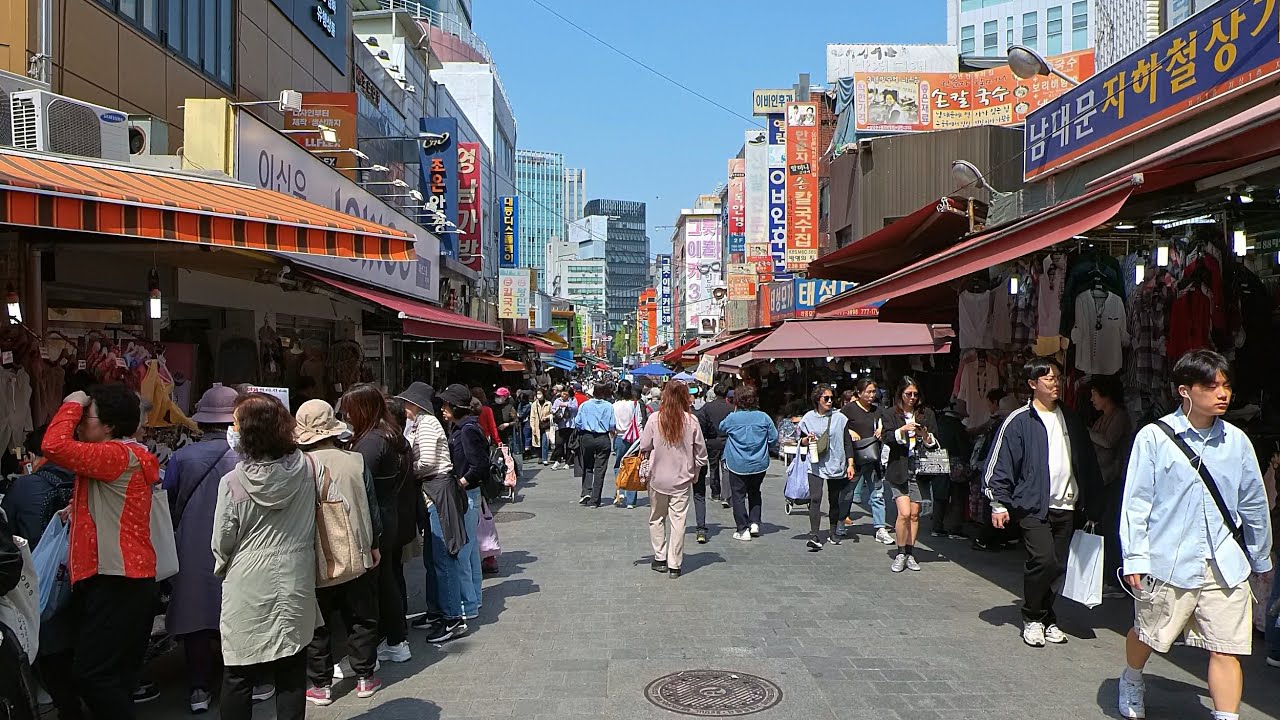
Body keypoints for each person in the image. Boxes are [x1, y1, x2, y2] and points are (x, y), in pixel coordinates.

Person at [1117, 350, 1273, 720]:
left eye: (1226, 385)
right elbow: (1136, 502)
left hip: (1224, 563)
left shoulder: (1236, 442)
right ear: (1185, 391)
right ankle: (1132, 677)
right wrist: (1134, 558)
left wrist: (1260, 557)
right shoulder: (1153, 438)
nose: (1223, 393)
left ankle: (1226, 716)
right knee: (1148, 633)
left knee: (1226, 647)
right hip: (1168, 560)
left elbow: (1254, 504)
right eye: (1211, 385)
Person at [41, 385, 160, 720]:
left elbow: (52, 445)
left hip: (119, 579)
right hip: (124, 579)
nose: (79, 424)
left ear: (108, 427)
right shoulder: (121, 456)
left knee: (93, 675)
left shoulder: (115, 456)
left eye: (86, 418)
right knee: (116, 677)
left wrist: (71, 402)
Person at [212, 392, 319, 720]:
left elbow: (221, 542)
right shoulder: (306, 470)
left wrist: (223, 566)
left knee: (239, 671)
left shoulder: (232, 483)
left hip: (247, 583)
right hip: (295, 578)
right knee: (291, 668)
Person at [983, 358, 1103, 647]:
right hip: (1033, 505)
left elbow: (1087, 461)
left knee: (1057, 566)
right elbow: (1000, 463)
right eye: (1048, 378)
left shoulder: (1070, 418)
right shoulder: (1019, 420)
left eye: (1057, 378)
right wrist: (998, 502)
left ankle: (1048, 617)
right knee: (1043, 559)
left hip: (1067, 505)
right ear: (1032, 384)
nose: (1055, 383)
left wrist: (1094, 503)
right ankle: (1032, 617)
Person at [161, 385, 246, 713]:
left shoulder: (182, 457)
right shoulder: (244, 455)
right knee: (234, 610)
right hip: (237, 542)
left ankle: (198, 688)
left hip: (192, 539)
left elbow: (168, 501)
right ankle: (241, 681)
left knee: (196, 611)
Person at [295, 399, 383, 706]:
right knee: (361, 617)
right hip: (357, 553)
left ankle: (320, 685)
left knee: (317, 624)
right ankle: (364, 677)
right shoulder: (356, 461)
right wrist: (374, 545)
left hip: (313, 559)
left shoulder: (297, 465)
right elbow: (372, 509)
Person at [341, 384, 413, 666]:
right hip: (389, 515)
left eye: (349, 409)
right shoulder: (388, 434)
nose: (345, 415)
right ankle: (394, 640)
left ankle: (379, 646)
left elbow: (358, 479)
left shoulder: (371, 441)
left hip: (377, 519)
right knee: (386, 581)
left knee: (374, 586)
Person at [433, 384, 490, 642]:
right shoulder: (464, 427)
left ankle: (468, 603)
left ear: (456, 407)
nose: (443, 409)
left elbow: (479, 465)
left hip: (466, 495)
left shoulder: (466, 430)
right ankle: (473, 600)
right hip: (468, 494)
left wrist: (461, 483)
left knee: (462, 552)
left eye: (446, 405)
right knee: (470, 551)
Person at [638, 381, 708, 579]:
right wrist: (695, 471)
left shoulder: (654, 419)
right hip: (682, 480)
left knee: (656, 518)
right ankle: (675, 564)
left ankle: (660, 557)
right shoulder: (691, 421)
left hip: (657, 478)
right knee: (678, 522)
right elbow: (701, 454)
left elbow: (644, 444)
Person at [880, 377, 940, 571]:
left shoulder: (926, 414)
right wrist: (902, 430)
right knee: (904, 513)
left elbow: (935, 442)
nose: (912, 398)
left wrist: (925, 435)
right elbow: (887, 437)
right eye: (908, 394)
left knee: (914, 514)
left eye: (915, 394)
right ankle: (900, 552)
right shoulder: (890, 414)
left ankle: (910, 553)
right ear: (901, 395)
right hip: (899, 466)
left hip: (919, 467)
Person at [1089, 375, 1134, 598]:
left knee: (1111, 529)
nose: (1091, 399)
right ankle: (1107, 577)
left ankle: (1116, 582)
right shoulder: (1102, 418)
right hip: (1102, 478)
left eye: (1095, 394)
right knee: (1102, 528)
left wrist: (1088, 432)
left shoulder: (1119, 417)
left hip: (1114, 479)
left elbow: (1108, 442)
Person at [798, 384, 855, 551]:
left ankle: (833, 531)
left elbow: (847, 442)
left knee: (834, 499)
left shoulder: (840, 418)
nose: (830, 401)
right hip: (815, 463)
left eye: (832, 398)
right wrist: (807, 440)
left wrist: (850, 464)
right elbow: (800, 442)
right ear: (817, 400)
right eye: (826, 398)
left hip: (836, 462)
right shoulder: (808, 418)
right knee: (815, 498)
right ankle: (815, 535)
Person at [718, 384, 778, 541]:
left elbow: (721, 428)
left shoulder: (732, 418)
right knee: (755, 492)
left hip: (737, 463)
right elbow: (773, 438)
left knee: (738, 496)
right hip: (759, 463)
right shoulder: (764, 417)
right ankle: (754, 522)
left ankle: (742, 529)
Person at [839, 379, 890, 544]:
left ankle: (880, 527)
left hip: (873, 458)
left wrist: (882, 428)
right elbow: (838, 426)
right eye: (867, 392)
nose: (871, 395)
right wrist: (850, 431)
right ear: (859, 393)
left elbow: (888, 424)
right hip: (855, 458)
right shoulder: (849, 410)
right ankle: (841, 520)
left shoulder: (878, 410)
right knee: (848, 492)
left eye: (873, 392)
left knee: (877, 493)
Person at [575, 383, 616, 507]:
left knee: (587, 465)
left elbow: (577, 422)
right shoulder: (609, 406)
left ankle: (586, 491)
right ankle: (595, 499)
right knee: (600, 469)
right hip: (603, 438)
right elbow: (612, 425)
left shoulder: (584, 405)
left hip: (587, 437)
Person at [697, 383, 734, 505]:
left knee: (713, 467)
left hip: (712, 440)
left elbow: (701, 421)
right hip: (727, 440)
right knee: (726, 468)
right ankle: (726, 495)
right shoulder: (731, 408)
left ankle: (715, 493)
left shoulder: (707, 407)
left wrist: (705, 435)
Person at [612, 380, 645, 508]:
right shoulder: (635, 404)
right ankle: (631, 500)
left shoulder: (614, 406)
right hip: (634, 439)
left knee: (618, 465)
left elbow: (612, 424)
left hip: (619, 437)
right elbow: (639, 422)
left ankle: (620, 489)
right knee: (633, 466)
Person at [550, 386, 579, 470]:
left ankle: (568, 462)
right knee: (559, 443)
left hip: (570, 425)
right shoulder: (557, 400)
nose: (564, 395)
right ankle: (558, 460)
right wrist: (556, 410)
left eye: (566, 393)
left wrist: (566, 405)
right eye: (563, 393)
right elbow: (553, 409)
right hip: (560, 424)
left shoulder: (573, 400)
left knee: (569, 444)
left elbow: (575, 408)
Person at [530, 388, 553, 466]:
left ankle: (544, 458)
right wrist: (532, 427)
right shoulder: (534, 404)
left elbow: (552, 413)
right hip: (537, 426)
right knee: (537, 442)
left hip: (546, 425)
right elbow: (532, 417)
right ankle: (540, 456)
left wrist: (547, 417)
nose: (538, 395)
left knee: (545, 442)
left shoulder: (548, 403)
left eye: (540, 393)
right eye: (537, 394)